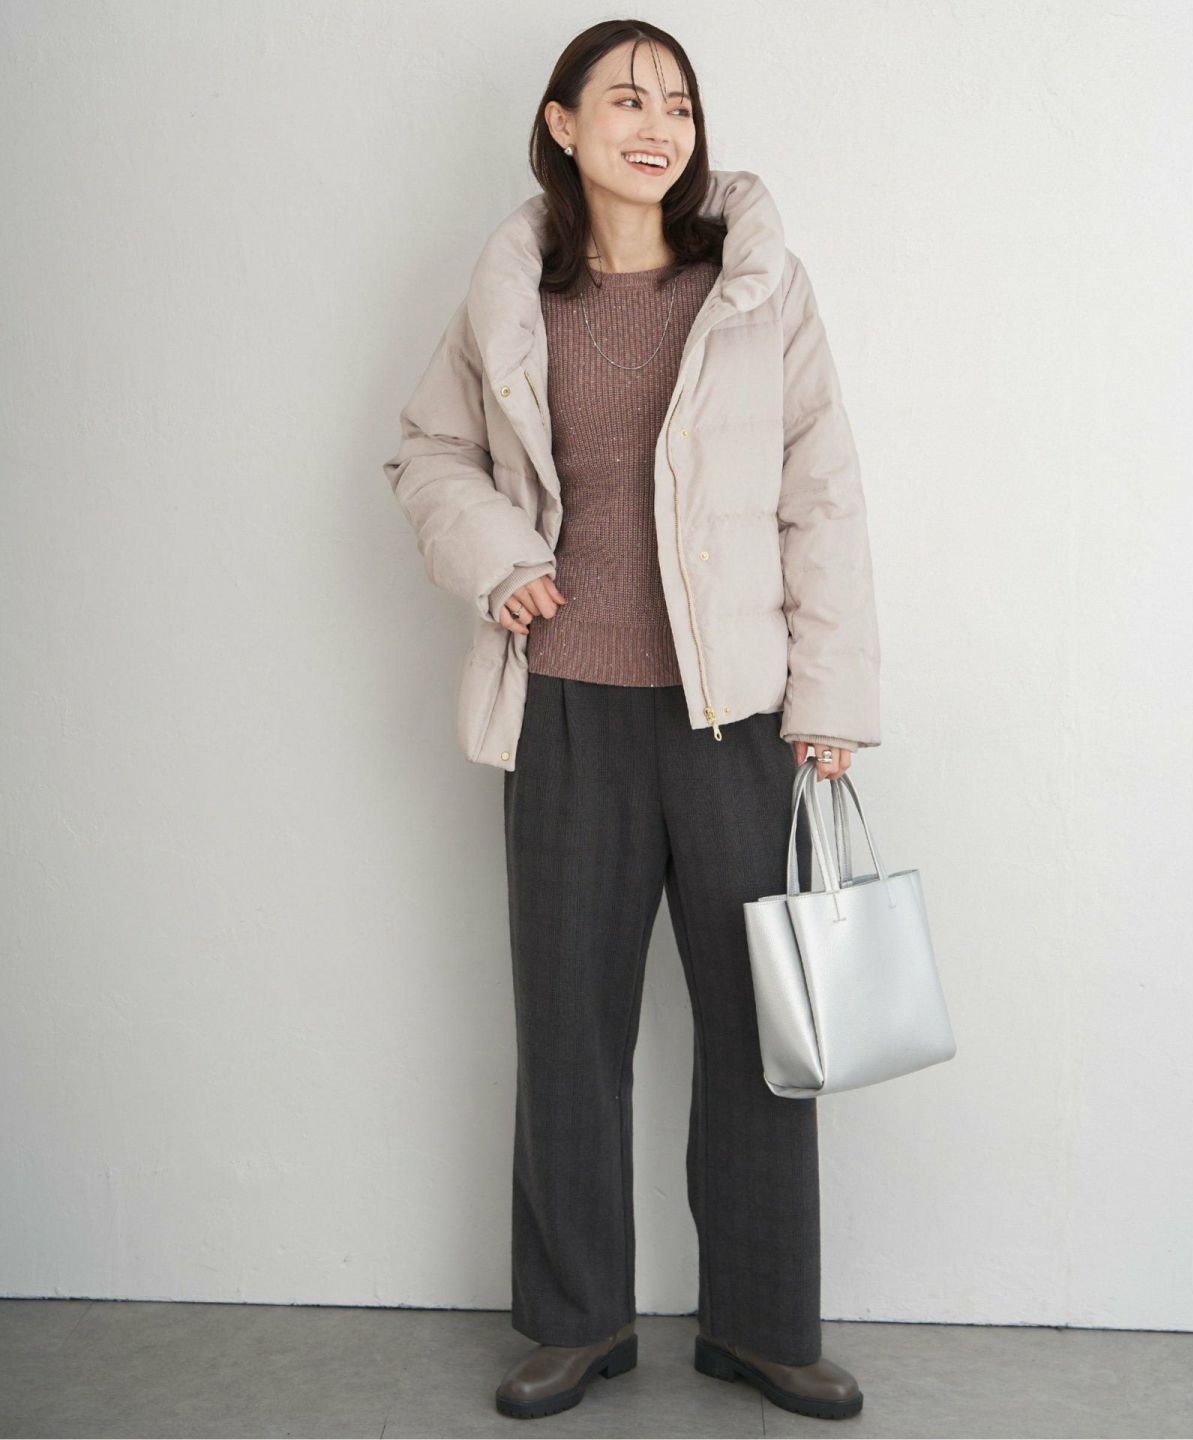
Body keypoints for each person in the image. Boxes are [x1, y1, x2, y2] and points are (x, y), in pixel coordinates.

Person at [384, 19, 880, 1423]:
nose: (656, 125)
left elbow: (823, 493)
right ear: (561, 124)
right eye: (625, 99)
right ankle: (578, 1322)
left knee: (759, 1037)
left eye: (677, 103)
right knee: (568, 1028)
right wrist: (499, 557)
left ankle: (763, 1328)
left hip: (737, 721)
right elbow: (426, 451)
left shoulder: (758, 287)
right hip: (565, 715)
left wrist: (832, 703)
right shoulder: (510, 292)